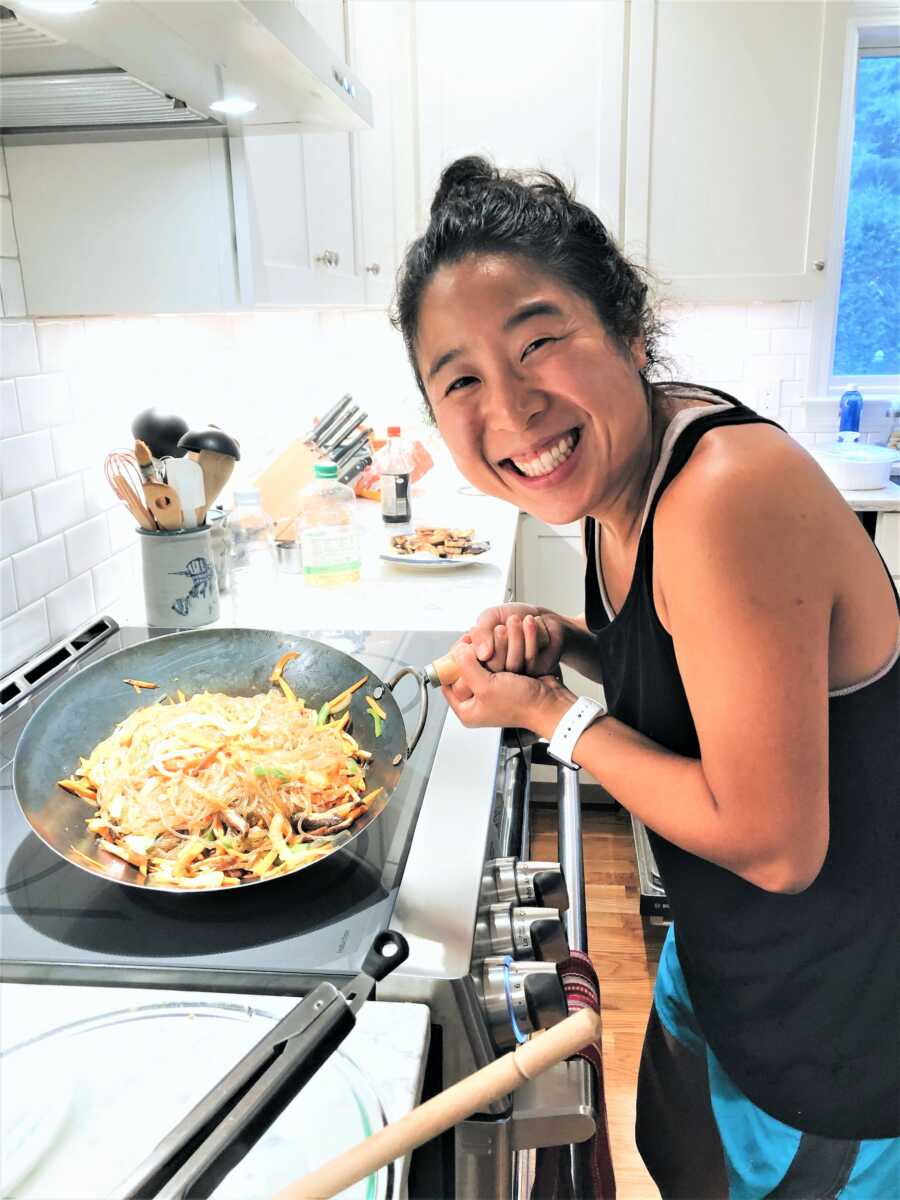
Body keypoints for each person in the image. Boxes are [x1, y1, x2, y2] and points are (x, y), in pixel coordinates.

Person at [392, 157, 899, 1198]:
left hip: (838, 1015)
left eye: (540, 342)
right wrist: (569, 640)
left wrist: (552, 716)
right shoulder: (622, 482)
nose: (514, 408)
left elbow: (774, 843)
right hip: (726, 967)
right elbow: (688, 654)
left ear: (626, 329)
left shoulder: (722, 491)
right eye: (463, 380)